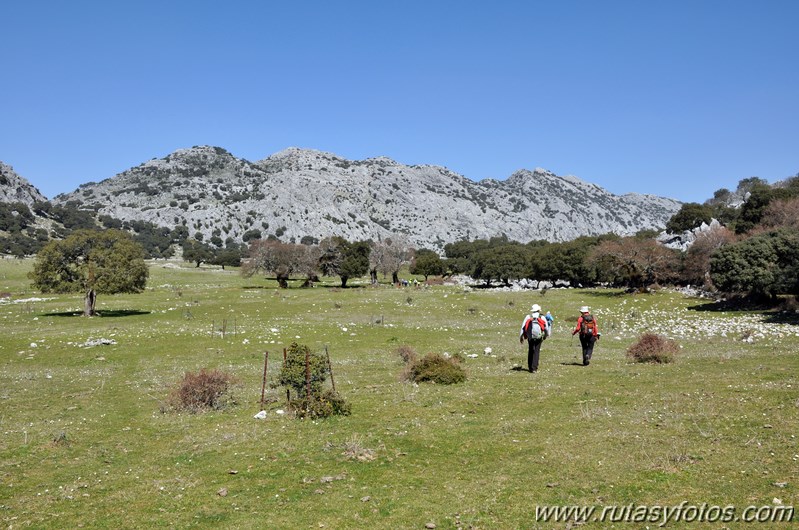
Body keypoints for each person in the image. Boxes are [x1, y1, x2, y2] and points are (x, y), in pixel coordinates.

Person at [519, 303, 548, 372]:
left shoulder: (528, 317)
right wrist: (545, 335)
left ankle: (530, 367)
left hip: (530, 336)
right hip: (539, 336)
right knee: (536, 351)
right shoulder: (542, 317)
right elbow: (546, 328)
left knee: (531, 350)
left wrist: (521, 336)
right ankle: (534, 368)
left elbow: (523, 327)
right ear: (538, 310)